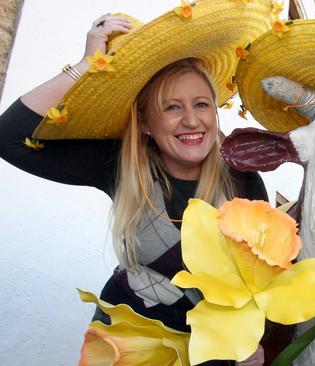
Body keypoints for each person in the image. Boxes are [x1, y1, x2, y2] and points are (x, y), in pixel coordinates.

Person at [0, 2, 274, 365]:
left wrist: (251, 340)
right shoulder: (123, 166)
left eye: (202, 104)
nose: (192, 120)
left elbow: (262, 278)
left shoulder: (242, 178)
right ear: (145, 123)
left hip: (214, 354)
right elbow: (9, 136)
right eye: (172, 107)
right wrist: (86, 65)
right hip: (127, 347)